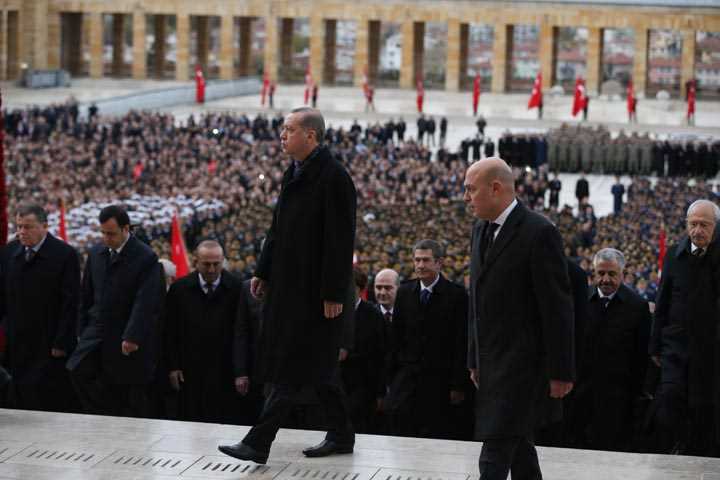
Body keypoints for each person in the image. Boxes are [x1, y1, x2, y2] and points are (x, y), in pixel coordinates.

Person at [218, 107, 357, 465]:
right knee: (321, 369)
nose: (282, 135)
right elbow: (277, 228)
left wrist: (332, 293)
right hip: (288, 287)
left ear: (310, 136)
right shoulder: (292, 172)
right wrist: (262, 272)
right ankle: (342, 434)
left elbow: (340, 243)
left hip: (314, 293)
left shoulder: (334, 177)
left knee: (291, 367)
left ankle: (258, 442)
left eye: (289, 129)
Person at [464, 157, 574, 480]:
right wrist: (474, 357)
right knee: (521, 449)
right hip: (492, 362)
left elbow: (557, 309)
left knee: (494, 452)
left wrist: (561, 371)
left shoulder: (539, 233)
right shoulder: (479, 229)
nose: (467, 197)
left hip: (524, 366)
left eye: (471, 190)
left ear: (495, 188)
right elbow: (477, 303)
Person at [67, 205, 164, 417]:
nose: (106, 238)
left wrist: (132, 336)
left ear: (126, 229)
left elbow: (145, 302)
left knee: (125, 390)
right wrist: (82, 330)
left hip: (125, 335)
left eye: (110, 233)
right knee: (77, 370)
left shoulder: (145, 257)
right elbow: (87, 296)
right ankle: (101, 415)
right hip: (97, 331)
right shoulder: (96, 254)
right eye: (102, 233)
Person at [651, 199, 720, 456]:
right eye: (693, 224)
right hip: (676, 347)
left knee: (704, 408)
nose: (697, 231)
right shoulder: (674, 255)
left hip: (710, 351)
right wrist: (655, 344)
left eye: (704, 225)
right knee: (670, 399)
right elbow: (663, 300)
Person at [386, 239, 470, 440]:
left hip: (440, 383)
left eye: (425, 260)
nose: (420, 265)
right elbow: (396, 338)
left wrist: (458, 384)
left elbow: (461, 343)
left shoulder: (456, 295)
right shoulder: (405, 292)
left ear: (439, 263)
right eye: (417, 260)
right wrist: (392, 378)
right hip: (408, 381)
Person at [0, 203, 80, 412]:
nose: (21, 232)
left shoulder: (64, 254)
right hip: (17, 339)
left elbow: (70, 303)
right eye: (18, 227)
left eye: (27, 227)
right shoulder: (9, 252)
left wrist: (61, 341)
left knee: (46, 397)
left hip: (49, 342)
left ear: (44, 226)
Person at [570, 248, 651, 451]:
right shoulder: (579, 300)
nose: (605, 279)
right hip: (581, 392)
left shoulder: (637, 307)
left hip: (618, 396)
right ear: (594, 273)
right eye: (601, 273)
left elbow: (641, 355)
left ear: (622, 274)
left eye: (612, 274)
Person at [163, 240, 244, 423]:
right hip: (189, 369)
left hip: (224, 369)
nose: (211, 269)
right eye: (206, 264)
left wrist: (241, 370)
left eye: (216, 264)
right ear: (196, 261)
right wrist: (173, 366)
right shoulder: (179, 290)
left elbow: (242, 333)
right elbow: (170, 331)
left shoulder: (236, 288)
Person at [340, 266, 387, 434]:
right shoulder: (333, 311)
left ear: (360, 289)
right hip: (336, 383)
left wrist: (380, 392)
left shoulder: (373, 315)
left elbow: (380, 355)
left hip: (363, 384)